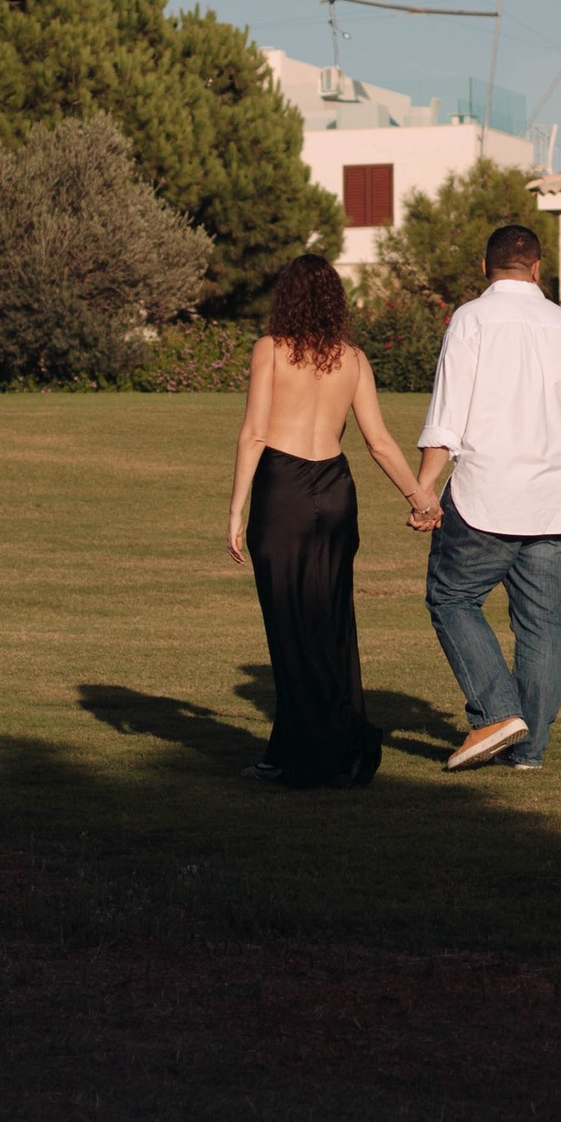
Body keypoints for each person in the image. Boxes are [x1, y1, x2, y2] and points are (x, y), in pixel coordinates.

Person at [227, 252, 434, 788]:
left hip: (284, 492)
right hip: (336, 490)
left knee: (289, 625)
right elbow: (379, 442)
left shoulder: (270, 351)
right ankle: (334, 745)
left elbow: (253, 433)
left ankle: (298, 754)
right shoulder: (355, 359)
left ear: (287, 297)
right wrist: (419, 497)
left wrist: (235, 509)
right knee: (332, 622)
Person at [413, 221, 561, 774]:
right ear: (538, 268)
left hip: (488, 497)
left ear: (484, 267)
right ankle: (529, 751)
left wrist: (425, 487)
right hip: (558, 501)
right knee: (542, 620)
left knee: (451, 598)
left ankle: (498, 712)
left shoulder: (472, 319)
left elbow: (448, 414)